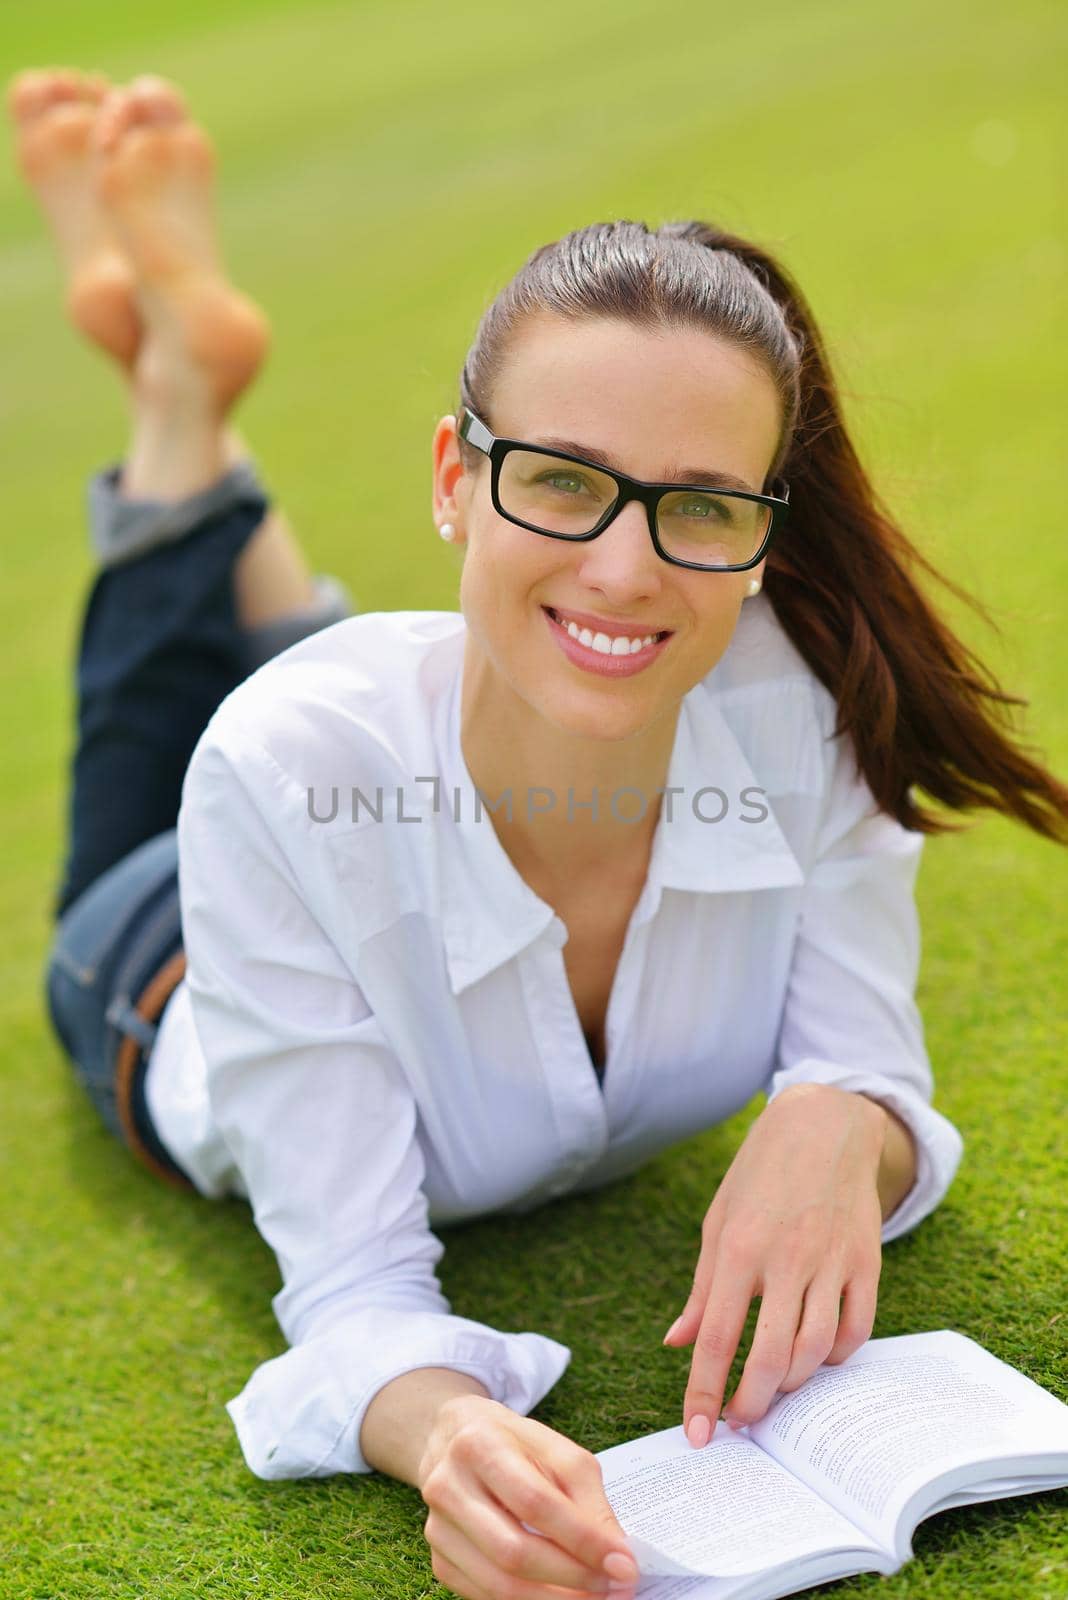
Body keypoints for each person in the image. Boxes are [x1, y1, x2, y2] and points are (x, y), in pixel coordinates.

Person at [13, 66, 1068, 1600]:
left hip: (397, 738)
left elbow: (870, 1071)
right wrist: (446, 1440)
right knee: (179, 736)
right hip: (165, 966)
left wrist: (848, 1113)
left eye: (704, 507)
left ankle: (194, 398)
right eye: (563, 481)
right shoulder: (286, 768)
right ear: (457, 476)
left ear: (769, 533)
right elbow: (356, 1292)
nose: (634, 565)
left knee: (467, 663)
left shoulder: (803, 707)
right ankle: (179, 413)